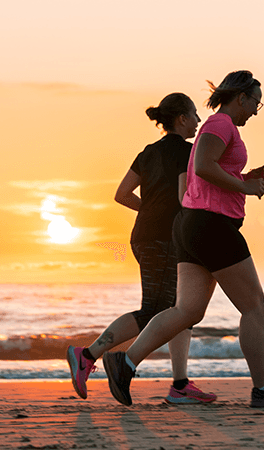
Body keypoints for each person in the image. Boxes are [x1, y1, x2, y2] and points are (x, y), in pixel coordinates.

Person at [103, 70, 264, 408]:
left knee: (186, 311)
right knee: (253, 306)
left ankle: (124, 362)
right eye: (256, 101)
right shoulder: (221, 124)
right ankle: (263, 387)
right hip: (212, 226)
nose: (256, 109)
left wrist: (241, 176)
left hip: (192, 225)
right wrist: (244, 186)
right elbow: (203, 167)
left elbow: (207, 174)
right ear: (241, 97)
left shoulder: (214, 127)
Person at [67, 93, 216, 404]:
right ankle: (88, 354)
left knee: (180, 309)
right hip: (164, 238)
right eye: (194, 115)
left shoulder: (147, 153)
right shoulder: (187, 153)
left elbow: (122, 194)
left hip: (146, 235)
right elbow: (182, 197)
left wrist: (149, 211)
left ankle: (180, 384)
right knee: (155, 309)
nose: (199, 121)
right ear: (182, 119)